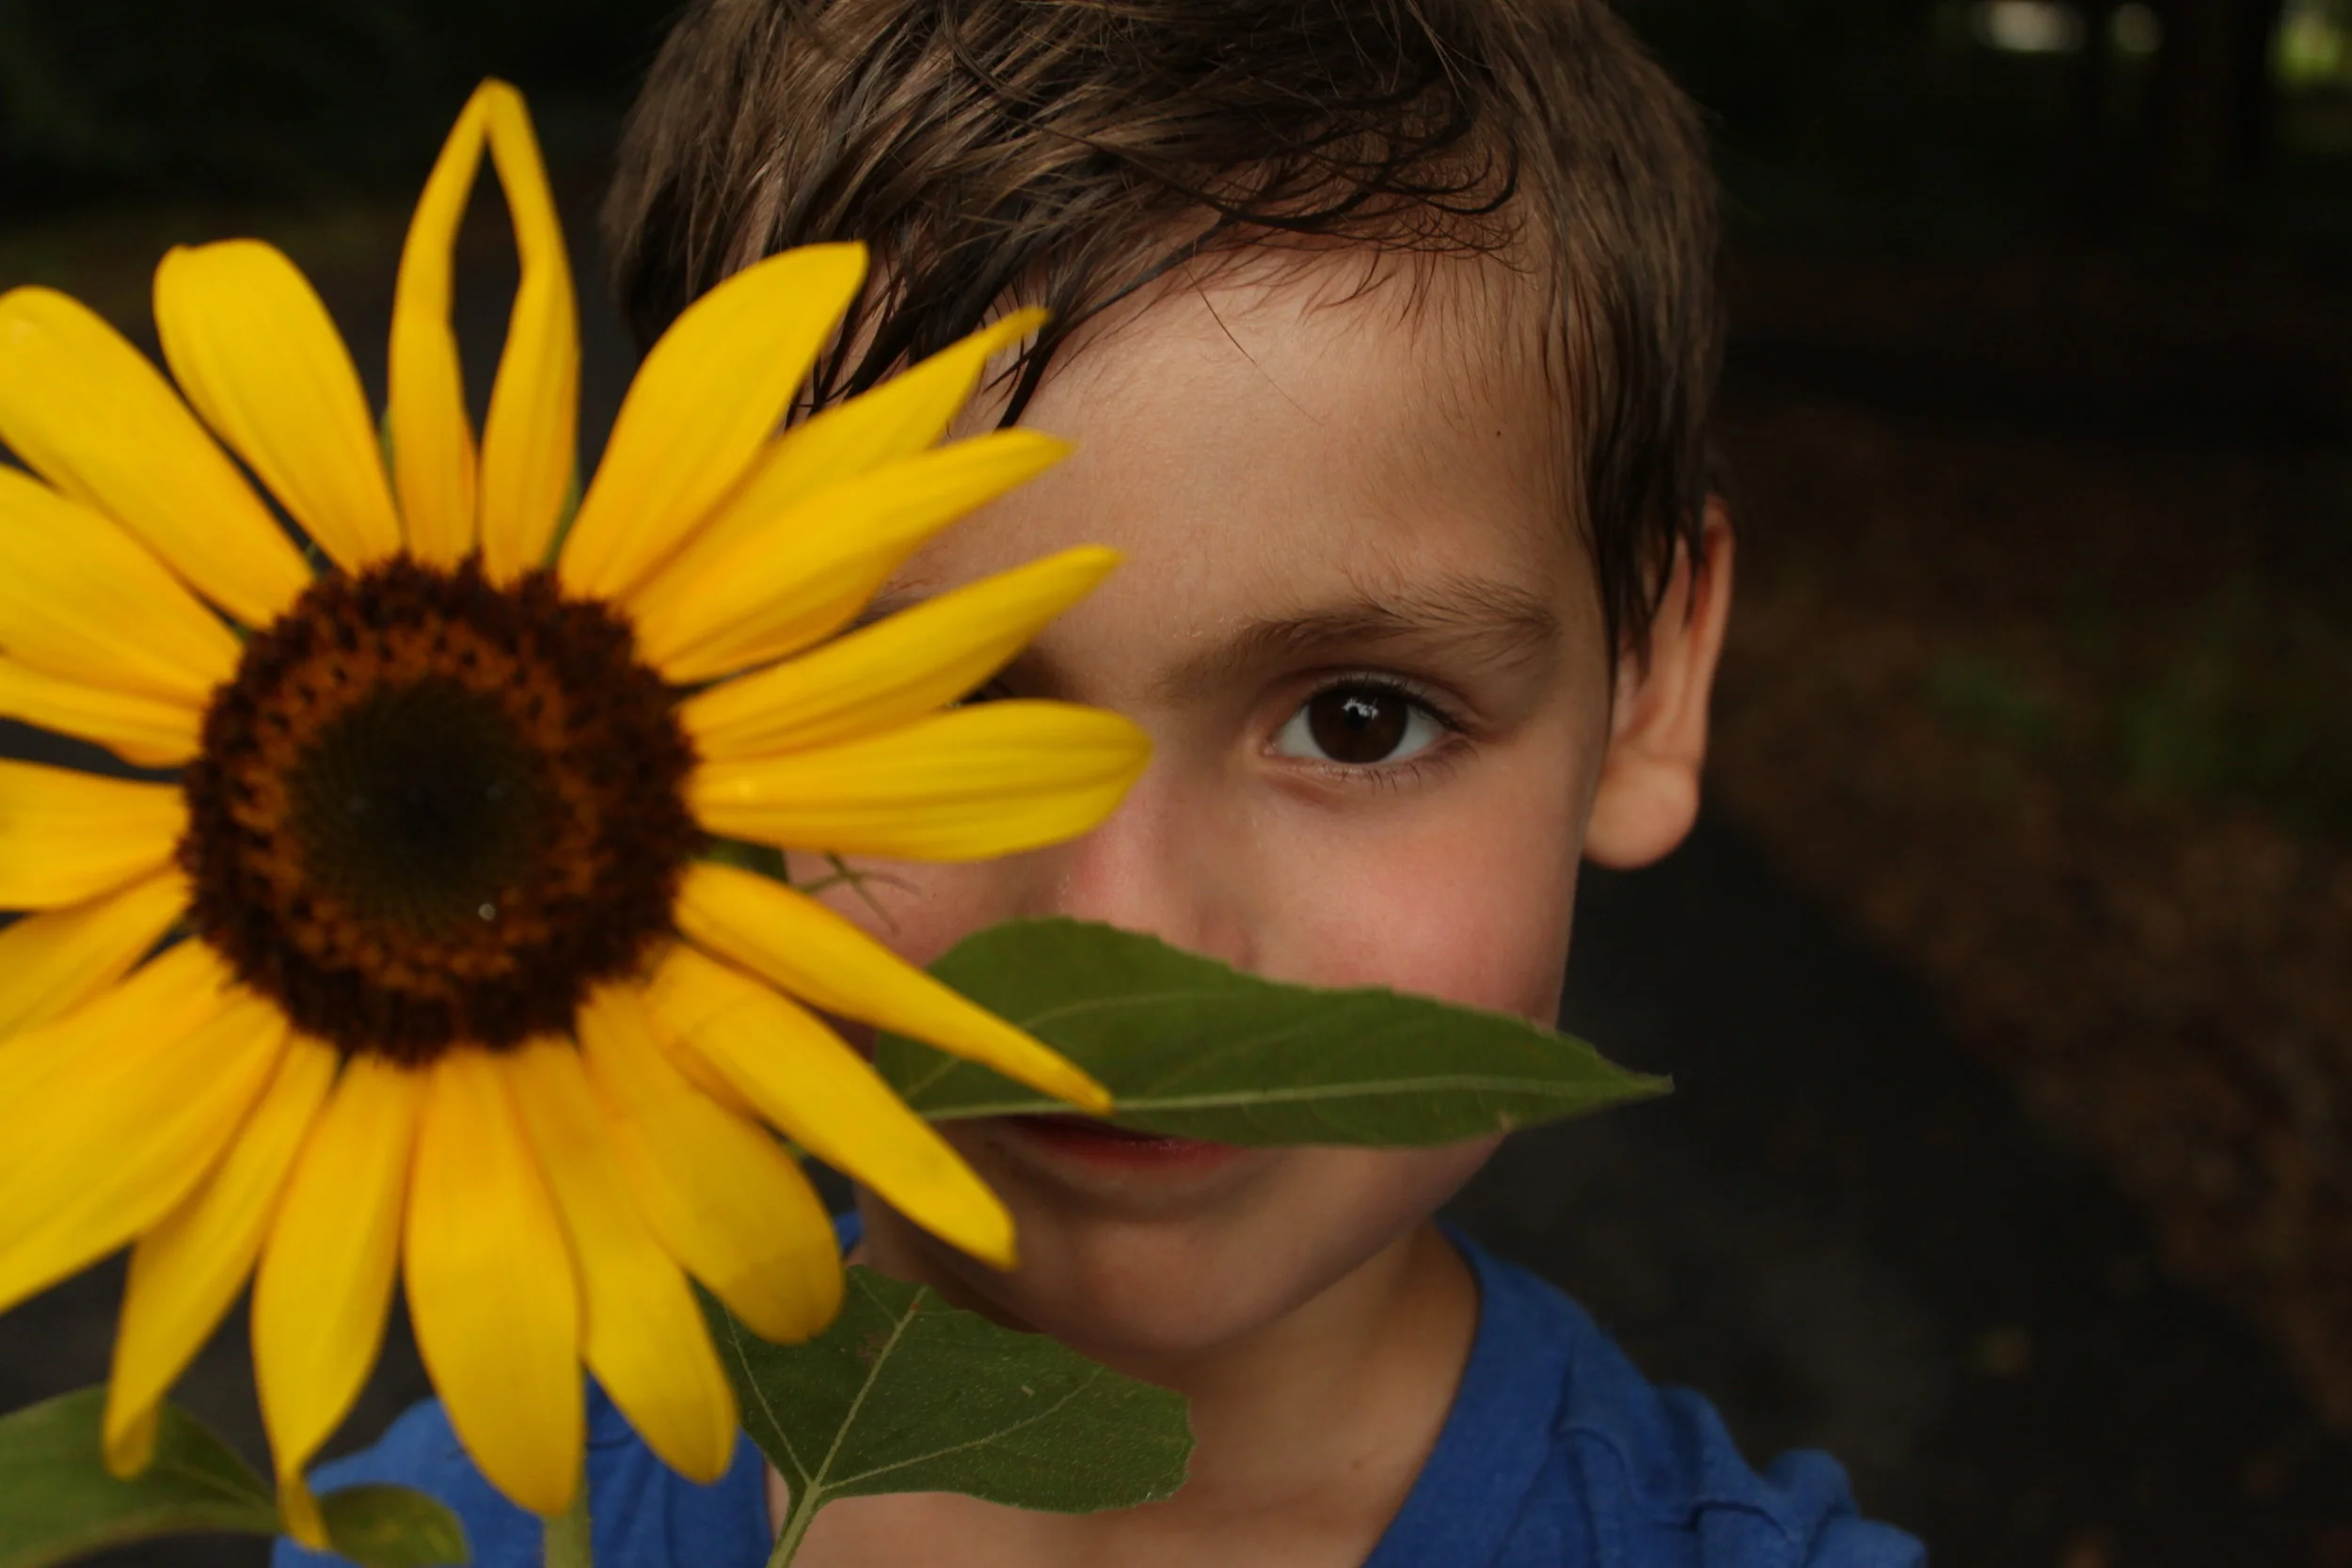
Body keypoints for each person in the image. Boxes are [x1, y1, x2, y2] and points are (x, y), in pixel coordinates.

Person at [283, 1, 1925, 1563]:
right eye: (933, 707)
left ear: (1652, 680)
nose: (1124, 947)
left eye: (1359, 719)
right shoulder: (444, 1532)